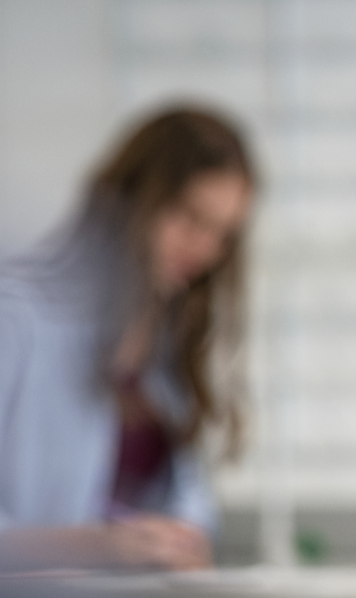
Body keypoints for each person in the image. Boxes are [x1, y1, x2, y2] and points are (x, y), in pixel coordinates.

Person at [0, 107, 253, 571]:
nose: (204, 249)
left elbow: (191, 515)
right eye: (190, 217)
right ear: (131, 198)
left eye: (222, 235)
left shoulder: (167, 350)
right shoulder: (16, 319)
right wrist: (96, 548)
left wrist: (184, 546)